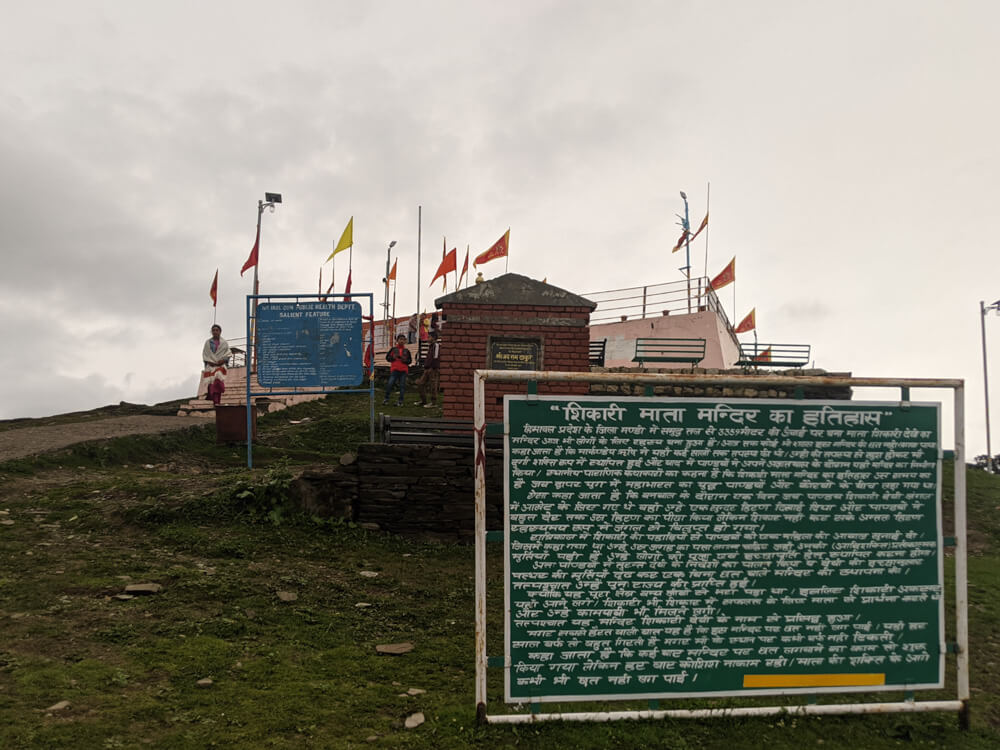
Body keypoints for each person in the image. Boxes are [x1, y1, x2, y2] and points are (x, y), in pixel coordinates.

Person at [201, 324, 231, 406]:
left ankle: (217, 401)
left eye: (217, 330)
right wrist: (209, 361)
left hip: (220, 366)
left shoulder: (224, 343)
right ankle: (215, 402)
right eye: (213, 330)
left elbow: (228, 354)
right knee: (212, 385)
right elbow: (205, 354)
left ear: (220, 331)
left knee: (218, 383)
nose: (215, 332)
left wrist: (222, 361)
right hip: (210, 366)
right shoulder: (208, 342)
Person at [383, 333, 412, 406]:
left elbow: (410, 361)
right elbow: (387, 358)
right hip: (395, 370)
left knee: (402, 386)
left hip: (403, 371)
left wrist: (404, 360)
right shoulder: (393, 349)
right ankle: (386, 399)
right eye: (400, 339)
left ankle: (400, 401)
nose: (402, 341)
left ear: (405, 341)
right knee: (390, 384)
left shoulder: (407, 351)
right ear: (397, 340)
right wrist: (393, 358)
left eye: (403, 340)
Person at [415, 330, 440, 407]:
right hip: (427, 368)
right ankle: (423, 400)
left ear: (434, 338)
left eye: (429, 337)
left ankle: (433, 402)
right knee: (420, 383)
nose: (427, 338)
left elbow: (436, 357)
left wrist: (433, 367)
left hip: (433, 369)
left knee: (433, 386)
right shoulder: (431, 346)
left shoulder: (436, 346)